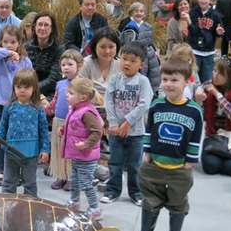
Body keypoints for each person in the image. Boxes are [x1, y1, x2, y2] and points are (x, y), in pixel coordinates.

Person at [138, 58, 204, 231]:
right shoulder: (156, 105)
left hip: (179, 167)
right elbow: (149, 131)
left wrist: (189, 162)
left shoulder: (194, 111)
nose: (168, 84)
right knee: (150, 201)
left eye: (174, 80)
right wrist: (147, 153)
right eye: (165, 79)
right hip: (155, 164)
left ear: (187, 82)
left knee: (178, 203)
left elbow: (196, 138)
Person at [102, 41, 153, 207]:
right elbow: (108, 101)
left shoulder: (143, 82)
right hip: (115, 132)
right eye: (124, 59)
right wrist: (115, 124)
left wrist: (127, 123)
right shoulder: (115, 79)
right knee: (114, 163)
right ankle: (112, 191)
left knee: (135, 165)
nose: (127, 63)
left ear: (141, 64)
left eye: (132, 60)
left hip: (135, 134)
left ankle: (136, 193)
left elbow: (144, 104)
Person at [0, 68, 50, 196]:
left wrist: (45, 149)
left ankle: (31, 206)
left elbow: (43, 130)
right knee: (8, 182)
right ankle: (7, 205)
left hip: (31, 153)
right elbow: (2, 126)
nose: (22, 90)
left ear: (34, 88)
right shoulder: (9, 106)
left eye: (26, 87)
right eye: (18, 87)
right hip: (11, 152)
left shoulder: (38, 108)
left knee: (30, 183)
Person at [0, 25, 33, 186]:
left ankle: (18, 171)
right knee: (0, 138)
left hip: (20, 106)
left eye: (13, 42)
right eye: (5, 42)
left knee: (18, 138)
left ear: (20, 43)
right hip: (1, 104)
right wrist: (8, 52)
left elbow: (30, 81)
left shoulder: (26, 61)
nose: (9, 44)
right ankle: (1, 170)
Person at [59, 78, 105, 220]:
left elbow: (97, 132)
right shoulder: (76, 109)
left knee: (86, 183)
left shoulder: (86, 113)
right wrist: (63, 130)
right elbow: (76, 127)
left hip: (86, 155)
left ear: (83, 97)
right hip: (77, 155)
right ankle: (74, 200)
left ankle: (94, 208)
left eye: (71, 93)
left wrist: (86, 144)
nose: (67, 95)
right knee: (74, 180)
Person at [201, 56, 231, 177]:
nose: (215, 75)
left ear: (230, 77)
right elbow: (200, 116)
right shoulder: (208, 85)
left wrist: (217, 94)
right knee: (211, 166)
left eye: (220, 73)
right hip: (215, 136)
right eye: (214, 70)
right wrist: (198, 101)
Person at [47, 50, 84, 191]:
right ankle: (61, 175)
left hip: (74, 124)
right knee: (59, 151)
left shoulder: (81, 84)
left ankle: (71, 177)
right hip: (58, 122)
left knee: (71, 152)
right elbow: (55, 101)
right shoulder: (60, 84)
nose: (66, 67)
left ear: (79, 66)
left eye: (70, 64)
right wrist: (45, 108)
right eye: (63, 65)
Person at [117, 2, 161, 94]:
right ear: (132, 12)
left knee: (153, 74)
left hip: (149, 53)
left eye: (141, 11)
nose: (139, 13)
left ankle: (153, 93)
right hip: (135, 54)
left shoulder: (148, 26)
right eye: (136, 11)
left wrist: (155, 51)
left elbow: (150, 41)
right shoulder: (127, 25)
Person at [25, 11, 66, 102]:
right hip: (27, 90)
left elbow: (54, 78)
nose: (42, 28)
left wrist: (36, 92)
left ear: (51, 29)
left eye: (46, 25)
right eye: (39, 24)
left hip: (51, 92)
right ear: (35, 27)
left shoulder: (59, 49)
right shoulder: (25, 48)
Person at [188, 0, 225, 83]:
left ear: (211, 0)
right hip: (195, 51)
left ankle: (205, 97)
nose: (203, 1)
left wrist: (219, 32)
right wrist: (189, 22)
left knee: (207, 80)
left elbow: (220, 31)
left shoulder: (215, 15)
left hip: (208, 52)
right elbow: (192, 31)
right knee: (193, 79)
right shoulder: (193, 13)